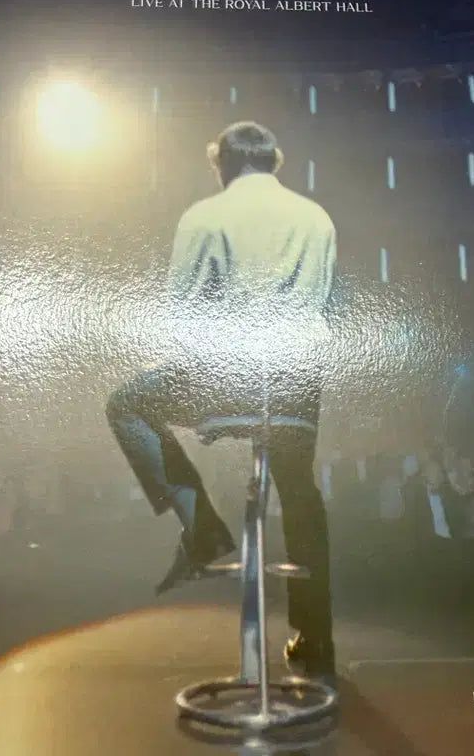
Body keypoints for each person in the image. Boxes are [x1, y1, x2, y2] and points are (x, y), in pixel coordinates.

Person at [106, 121, 338, 680]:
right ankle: (316, 640)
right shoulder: (317, 217)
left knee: (126, 405)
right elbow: (323, 302)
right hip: (296, 383)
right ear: (274, 161)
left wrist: (190, 373)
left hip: (228, 380)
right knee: (299, 491)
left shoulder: (204, 216)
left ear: (221, 164)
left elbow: (182, 311)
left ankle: (202, 527)